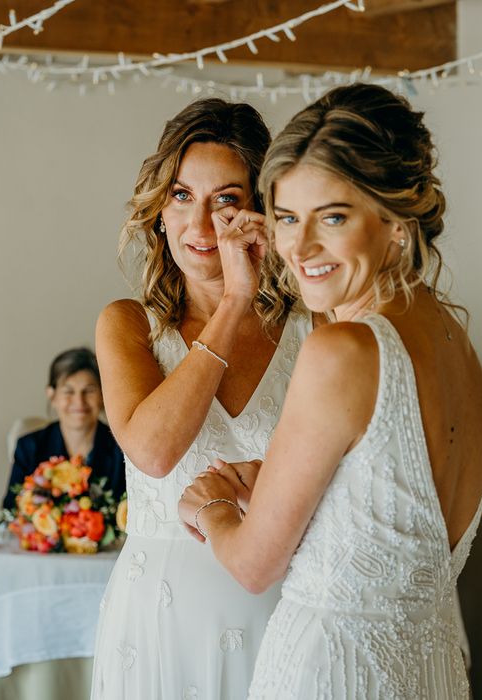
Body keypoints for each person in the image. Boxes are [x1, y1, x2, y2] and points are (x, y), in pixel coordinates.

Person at [178, 84, 482, 699]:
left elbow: (253, 564)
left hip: (331, 673)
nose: (299, 248)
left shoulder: (341, 351)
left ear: (396, 223)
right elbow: (390, 499)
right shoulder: (456, 341)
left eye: (334, 217)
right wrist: (271, 477)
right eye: (288, 218)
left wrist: (209, 507)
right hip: (431, 674)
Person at [90, 98, 313, 699]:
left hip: (286, 609)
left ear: (260, 213)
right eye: (183, 196)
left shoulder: (314, 330)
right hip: (162, 621)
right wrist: (234, 302)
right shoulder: (128, 325)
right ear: (159, 212)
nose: (201, 224)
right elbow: (154, 452)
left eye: (226, 200)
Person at [2, 347, 125, 510]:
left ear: (102, 395)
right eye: (68, 391)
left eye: (89, 391)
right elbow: (11, 510)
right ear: (52, 396)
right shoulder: (29, 447)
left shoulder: (121, 449)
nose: (79, 402)